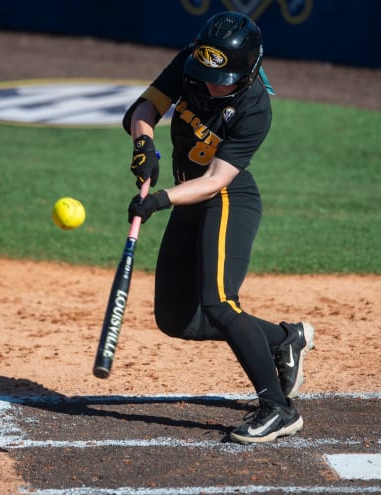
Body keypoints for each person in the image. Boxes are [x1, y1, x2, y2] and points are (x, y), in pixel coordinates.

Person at [123, 11, 315, 444]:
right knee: (175, 318)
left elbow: (215, 181)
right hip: (189, 197)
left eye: (222, 78)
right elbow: (145, 107)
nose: (211, 85)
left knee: (220, 303)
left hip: (227, 198)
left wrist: (158, 199)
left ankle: (279, 409)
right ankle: (284, 340)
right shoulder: (195, 63)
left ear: (247, 72)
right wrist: (143, 145)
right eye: (206, 75)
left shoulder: (254, 109)